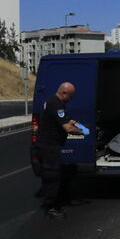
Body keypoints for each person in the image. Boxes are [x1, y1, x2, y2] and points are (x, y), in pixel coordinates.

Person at [35, 81, 85, 218]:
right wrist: (84, 132)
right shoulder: (56, 104)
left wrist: (80, 125)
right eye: (70, 96)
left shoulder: (55, 102)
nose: (71, 99)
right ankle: (50, 207)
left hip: (49, 145)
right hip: (48, 146)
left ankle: (54, 203)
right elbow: (67, 128)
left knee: (57, 175)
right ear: (64, 93)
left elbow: (67, 121)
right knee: (52, 176)